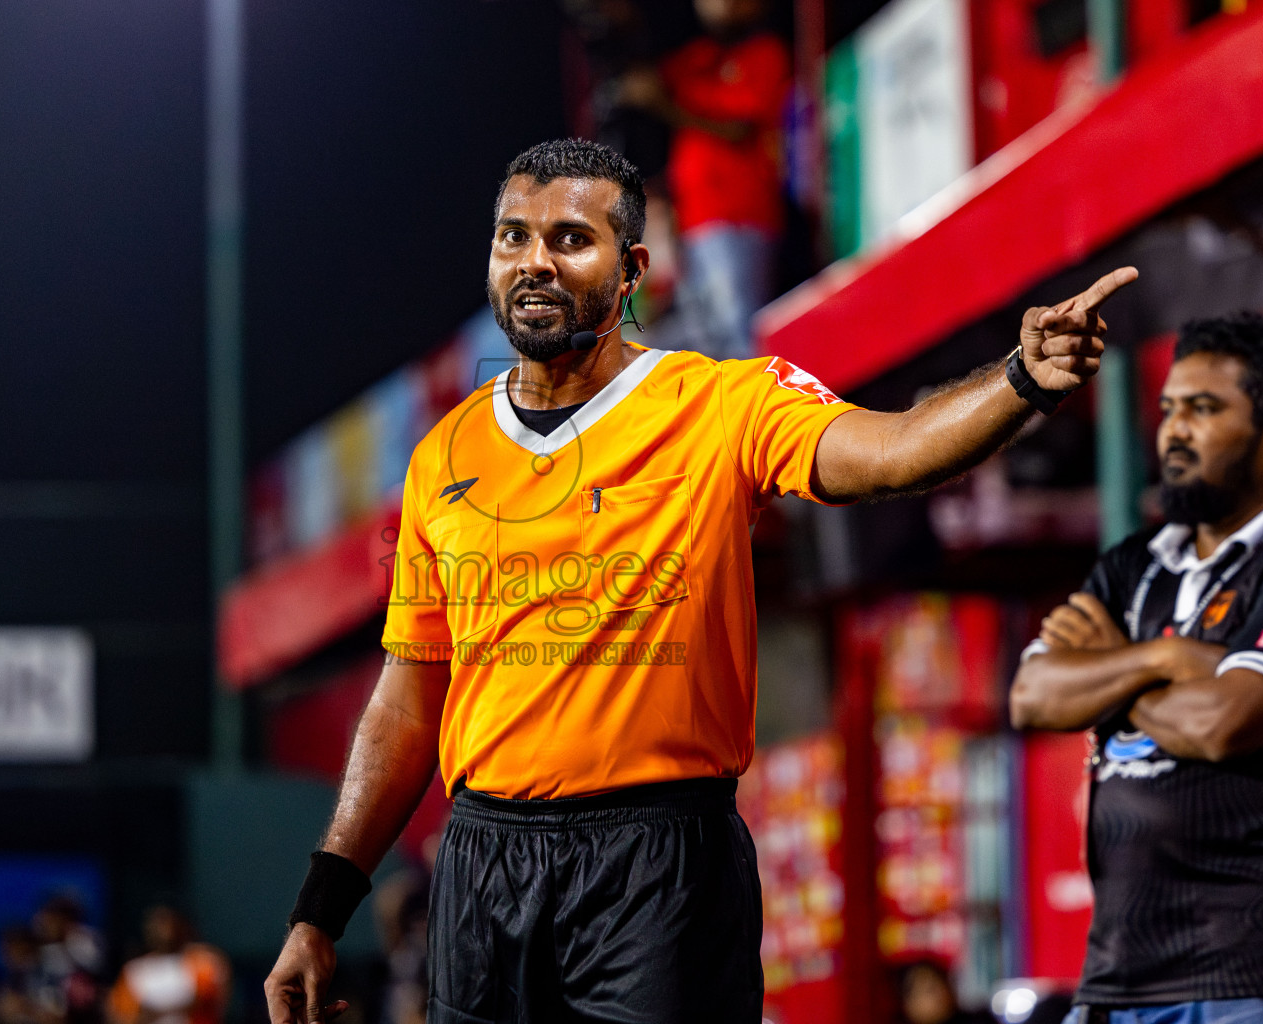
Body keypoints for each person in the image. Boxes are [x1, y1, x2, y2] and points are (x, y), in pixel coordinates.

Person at [265, 137, 1132, 1024]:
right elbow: (409, 699)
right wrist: (320, 911)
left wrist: (1023, 379)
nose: (534, 261)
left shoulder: (722, 403)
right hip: (483, 863)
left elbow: (892, 454)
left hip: (658, 861)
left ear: (632, 267)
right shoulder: (440, 455)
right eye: (512, 237)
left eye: (570, 239)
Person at [1010, 313, 1263, 1023]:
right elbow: (1032, 696)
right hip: (1117, 978)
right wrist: (1168, 659)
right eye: (1170, 408)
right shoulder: (1135, 564)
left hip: (1254, 979)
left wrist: (1107, 673)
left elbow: (1224, 721)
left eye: (1204, 410)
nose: (1174, 430)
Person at [617, 0, 791, 360]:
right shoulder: (696, 58)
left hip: (739, 217)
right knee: (705, 341)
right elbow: (643, 77)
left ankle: (763, 413)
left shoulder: (764, 52)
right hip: (691, 224)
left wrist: (664, 105)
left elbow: (738, 128)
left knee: (740, 335)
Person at [105, 907, 227, 1024]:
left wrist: (162, 1010)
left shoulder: (201, 964)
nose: (162, 930)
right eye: (156, 924)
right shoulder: (134, 970)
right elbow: (121, 1015)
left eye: (166, 922)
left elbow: (211, 1003)